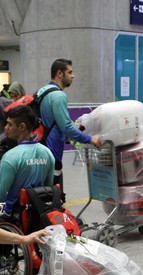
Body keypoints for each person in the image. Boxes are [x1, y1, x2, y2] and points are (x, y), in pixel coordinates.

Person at [0, 105, 55, 221]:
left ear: (22, 127)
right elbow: (48, 188)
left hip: (14, 217)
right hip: (39, 214)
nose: (6, 128)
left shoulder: (11, 157)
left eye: (9, 124)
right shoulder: (47, 153)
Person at [36, 58, 102, 188]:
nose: (73, 76)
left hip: (40, 149)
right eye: (70, 72)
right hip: (52, 152)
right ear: (59, 73)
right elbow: (66, 127)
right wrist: (89, 139)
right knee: (53, 195)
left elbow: (55, 120)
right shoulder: (59, 96)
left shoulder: (42, 91)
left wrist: (77, 126)